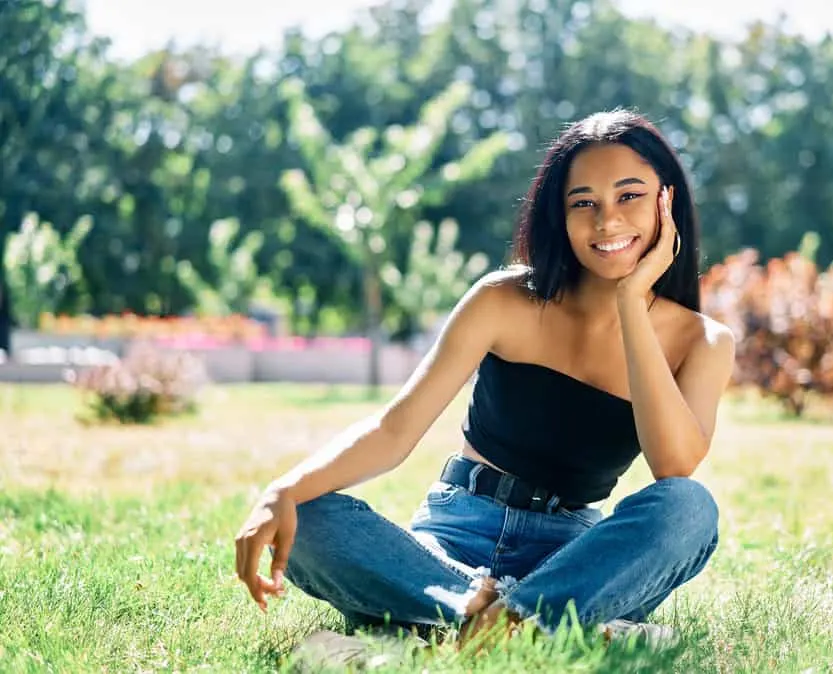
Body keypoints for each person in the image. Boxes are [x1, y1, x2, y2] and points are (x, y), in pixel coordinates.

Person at [234, 109, 735, 650]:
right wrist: (282, 490)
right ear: (559, 216)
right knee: (305, 515)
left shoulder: (702, 343)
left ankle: (441, 630)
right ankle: (514, 621)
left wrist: (632, 303)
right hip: (455, 534)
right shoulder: (503, 299)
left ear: (668, 200)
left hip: (576, 560)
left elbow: (673, 466)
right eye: (583, 202)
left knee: (690, 506)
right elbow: (394, 431)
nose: (607, 221)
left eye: (629, 196)